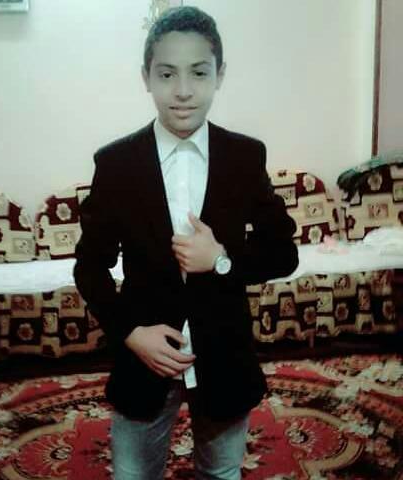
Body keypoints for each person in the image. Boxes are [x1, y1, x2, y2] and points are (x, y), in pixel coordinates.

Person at [73, 6, 298, 480]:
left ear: (219, 75)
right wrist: (131, 333)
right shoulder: (116, 163)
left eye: (199, 72)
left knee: (220, 473)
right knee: (133, 475)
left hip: (223, 355)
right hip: (144, 358)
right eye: (166, 74)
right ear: (146, 78)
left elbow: (284, 251)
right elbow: (89, 267)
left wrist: (221, 260)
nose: (182, 90)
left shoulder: (244, 156)